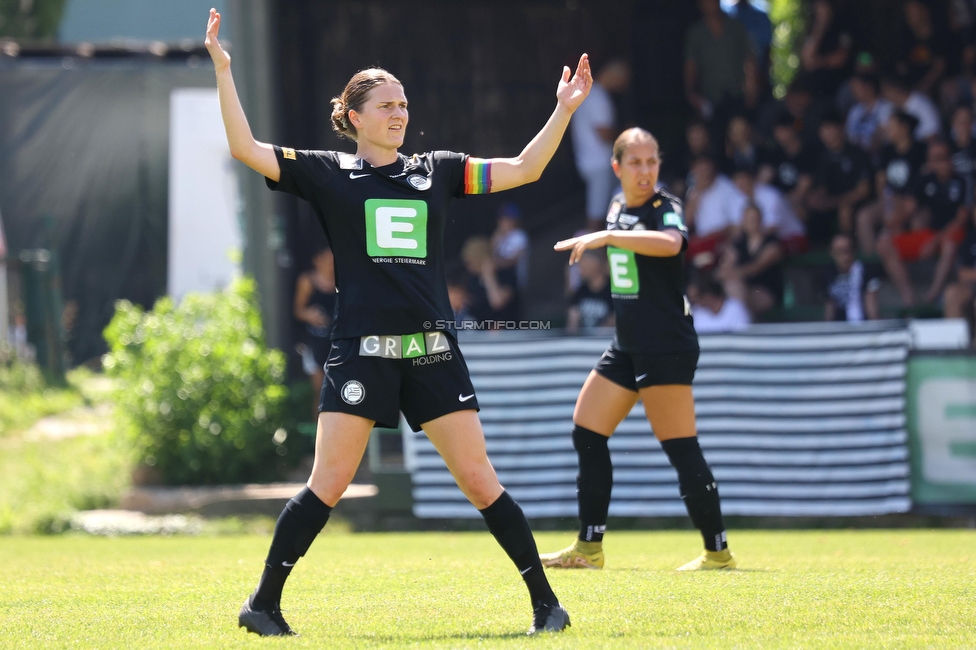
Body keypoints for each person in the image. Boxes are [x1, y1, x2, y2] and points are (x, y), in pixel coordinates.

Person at [204, 9, 591, 636]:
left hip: (432, 351)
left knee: (477, 478)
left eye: (403, 104)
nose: (399, 114)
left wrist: (565, 109)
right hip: (361, 350)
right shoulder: (329, 172)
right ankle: (263, 605)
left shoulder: (435, 169)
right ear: (355, 118)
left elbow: (525, 168)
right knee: (328, 481)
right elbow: (244, 149)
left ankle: (548, 606)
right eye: (386, 105)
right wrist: (224, 70)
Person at [541, 128, 735, 572]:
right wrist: (608, 235)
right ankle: (589, 548)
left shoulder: (664, 206)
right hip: (628, 344)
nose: (645, 171)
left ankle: (718, 553)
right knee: (587, 431)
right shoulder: (615, 204)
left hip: (665, 344)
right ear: (617, 167)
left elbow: (671, 244)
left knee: (681, 447)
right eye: (635, 163)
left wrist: (607, 238)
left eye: (652, 162)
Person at [877, 139, 971, 306]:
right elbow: (909, 207)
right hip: (929, 234)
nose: (939, 163)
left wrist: (934, 241)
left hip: (951, 234)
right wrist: (891, 224)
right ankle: (908, 296)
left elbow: (960, 219)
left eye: (942, 158)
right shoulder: (925, 179)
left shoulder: (962, 182)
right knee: (884, 244)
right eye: (935, 159)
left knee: (949, 245)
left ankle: (932, 294)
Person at [684, 0, 758, 143]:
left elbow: (749, 59)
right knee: (715, 137)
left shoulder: (735, 26)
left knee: (740, 132)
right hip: (711, 96)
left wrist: (751, 87)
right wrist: (691, 93)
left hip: (737, 92)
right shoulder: (697, 32)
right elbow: (690, 65)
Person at [856, 111, 927, 255]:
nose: (887, 129)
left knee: (917, 222)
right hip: (890, 200)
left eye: (891, 126)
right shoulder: (887, 151)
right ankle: (872, 261)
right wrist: (888, 204)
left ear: (904, 128)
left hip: (916, 202)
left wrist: (904, 207)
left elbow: (924, 181)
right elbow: (880, 181)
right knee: (864, 216)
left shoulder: (921, 150)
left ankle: (916, 263)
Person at [571, 59, 630, 232]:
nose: (624, 85)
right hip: (599, 164)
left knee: (608, 210)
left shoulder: (588, 93)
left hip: (587, 161)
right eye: (624, 79)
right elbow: (604, 134)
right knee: (596, 216)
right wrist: (627, 133)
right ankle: (591, 256)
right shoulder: (598, 96)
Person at [806, 109, 872, 245]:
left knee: (845, 209)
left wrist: (836, 201)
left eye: (831, 128)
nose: (828, 134)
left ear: (841, 128)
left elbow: (863, 191)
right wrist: (816, 198)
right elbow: (821, 186)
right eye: (824, 129)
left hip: (855, 202)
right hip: (831, 201)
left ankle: (848, 248)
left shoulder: (857, 154)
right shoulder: (822, 157)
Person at [716, 203, 785, 318]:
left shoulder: (772, 242)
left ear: (760, 219)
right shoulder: (738, 244)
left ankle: (742, 324)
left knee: (734, 288)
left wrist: (736, 273)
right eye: (748, 218)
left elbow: (758, 266)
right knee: (731, 286)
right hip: (741, 289)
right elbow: (725, 268)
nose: (751, 221)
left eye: (754, 218)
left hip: (766, 291)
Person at [293, 247, 336, 415]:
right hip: (314, 341)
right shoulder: (307, 281)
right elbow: (298, 310)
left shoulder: (341, 280)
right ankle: (320, 433)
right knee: (320, 389)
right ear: (316, 260)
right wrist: (310, 315)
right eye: (326, 259)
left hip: (336, 340)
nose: (330, 264)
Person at [759, 111, 817, 224]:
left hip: (801, 201)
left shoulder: (808, 152)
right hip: (778, 201)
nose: (780, 136)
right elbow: (763, 178)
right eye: (777, 132)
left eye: (783, 131)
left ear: (792, 130)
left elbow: (803, 188)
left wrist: (781, 203)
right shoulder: (775, 153)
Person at [800, 0, 855, 100]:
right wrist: (821, 24)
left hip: (838, 84)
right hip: (815, 89)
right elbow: (807, 59)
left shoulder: (844, 24)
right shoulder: (812, 28)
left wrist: (819, 62)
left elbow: (841, 57)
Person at [821, 233, 881, 321]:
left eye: (847, 250)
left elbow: (871, 305)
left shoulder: (866, 271)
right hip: (839, 327)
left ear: (853, 250)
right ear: (832, 253)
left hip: (863, 325)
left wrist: (874, 328)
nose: (844, 256)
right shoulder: (827, 273)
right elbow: (829, 307)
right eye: (839, 251)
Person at [461, 235, 519, 324]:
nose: (468, 267)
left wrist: (488, 274)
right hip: (481, 332)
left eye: (471, 262)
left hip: (506, 331)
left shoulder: (506, 275)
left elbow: (497, 303)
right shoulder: (474, 279)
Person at [942, 207, 976, 347]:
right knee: (952, 293)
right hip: (971, 286)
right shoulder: (971, 238)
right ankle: (954, 350)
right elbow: (962, 273)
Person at [881, 75, 942, 141]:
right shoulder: (890, 107)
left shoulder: (923, 105)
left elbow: (934, 136)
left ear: (894, 90)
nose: (884, 96)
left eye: (885, 92)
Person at [566, 250, 614, 333]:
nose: (580, 269)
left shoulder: (612, 291)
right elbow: (572, 322)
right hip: (584, 342)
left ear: (596, 264)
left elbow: (615, 319)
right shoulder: (581, 291)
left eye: (584, 264)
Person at [845, 73, 894, 154]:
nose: (853, 93)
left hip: (882, 153)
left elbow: (882, 136)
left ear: (869, 87)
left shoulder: (887, 107)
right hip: (858, 156)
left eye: (856, 89)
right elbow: (849, 136)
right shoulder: (854, 110)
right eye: (852, 89)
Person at [491, 203, 529, 289]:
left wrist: (494, 264)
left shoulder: (520, 236)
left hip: (514, 281)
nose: (502, 222)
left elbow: (514, 260)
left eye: (506, 219)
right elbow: (491, 251)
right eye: (501, 219)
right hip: (501, 278)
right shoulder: (500, 235)